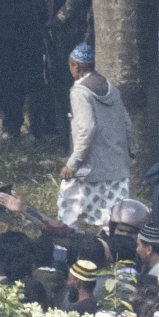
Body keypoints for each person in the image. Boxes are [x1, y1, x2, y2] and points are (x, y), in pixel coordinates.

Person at [56, 44, 134, 230]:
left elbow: (86, 130)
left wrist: (72, 164)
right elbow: (127, 123)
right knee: (115, 220)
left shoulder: (80, 92)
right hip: (117, 166)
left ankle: (63, 245)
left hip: (91, 168)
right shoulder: (111, 88)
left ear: (76, 66)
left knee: (67, 208)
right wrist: (129, 150)